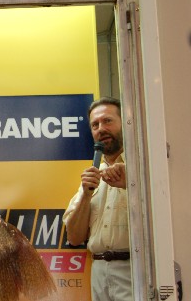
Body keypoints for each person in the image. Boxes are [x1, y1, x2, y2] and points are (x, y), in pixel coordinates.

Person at [63, 97, 131, 301]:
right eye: (95, 125)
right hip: (99, 271)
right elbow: (74, 238)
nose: (101, 129)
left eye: (107, 121)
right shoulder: (92, 176)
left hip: (134, 267)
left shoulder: (142, 167)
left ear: (126, 123)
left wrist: (131, 183)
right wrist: (86, 195)